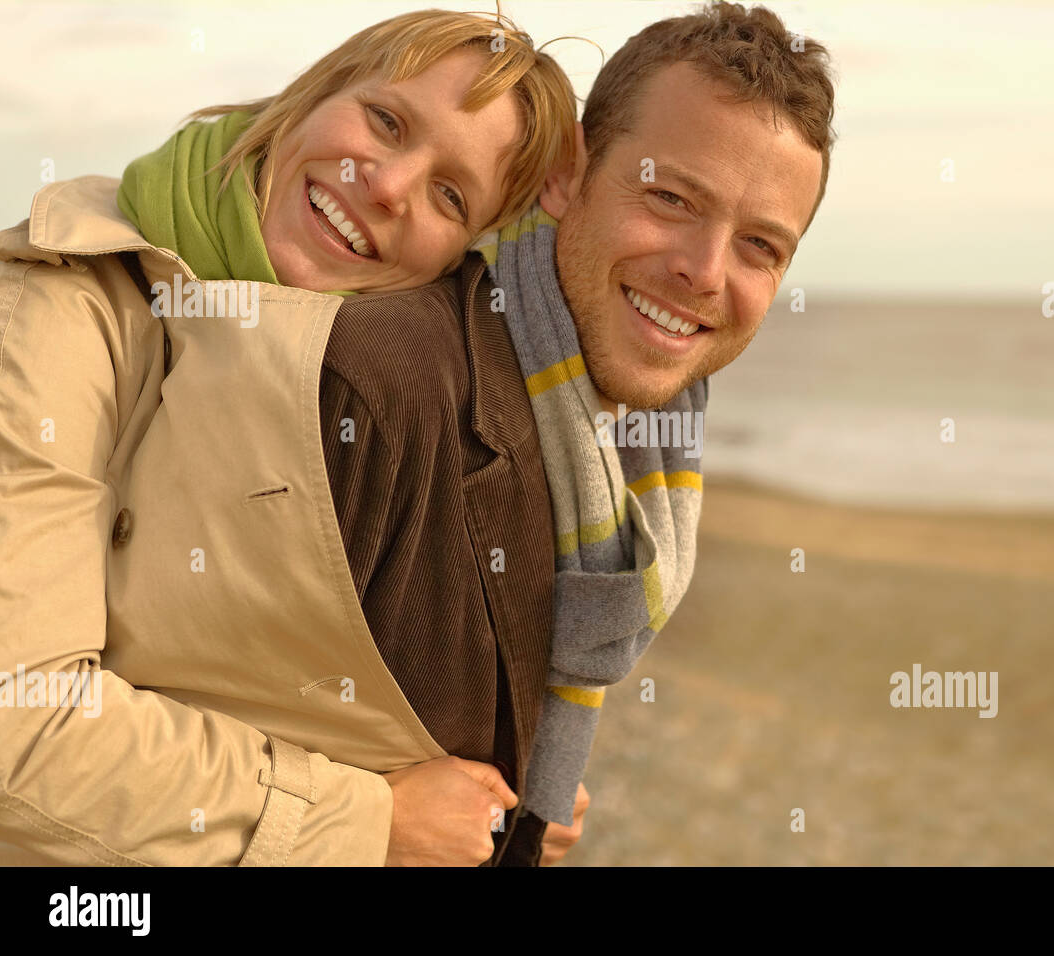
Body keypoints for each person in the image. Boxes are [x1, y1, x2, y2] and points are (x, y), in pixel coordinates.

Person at [0, 9, 575, 866]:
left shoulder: (341, 389)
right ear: (310, 95)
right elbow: (21, 726)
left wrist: (508, 775)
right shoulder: (55, 312)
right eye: (386, 121)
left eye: (451, 195)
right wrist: (370, 821)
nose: (388, 184)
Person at [321, 0, 836, 864]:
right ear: (568, 174)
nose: (704, 273)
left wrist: (522, 782)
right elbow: (158, 720)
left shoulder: (628, 443)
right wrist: (367, 819)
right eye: (670, 197)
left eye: (759, 246)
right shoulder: (378, 381)